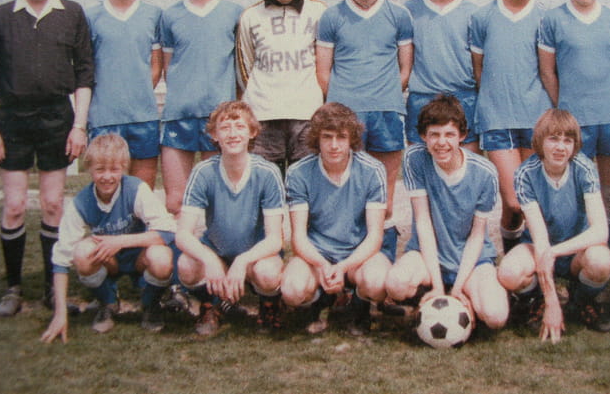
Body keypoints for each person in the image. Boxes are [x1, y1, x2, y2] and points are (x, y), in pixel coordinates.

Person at [0, 0, 94, 317]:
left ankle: (52, 288)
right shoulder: (1, 17)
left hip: (55, 117)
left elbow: (84, 74)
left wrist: (79, 126)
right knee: (15, 206)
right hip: (13, 119)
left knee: (52, 205)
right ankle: (12, 289)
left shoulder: (72, 13)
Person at [316, 0, 413, 249]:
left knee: (384, 195)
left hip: (386, 111)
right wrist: (343, 104)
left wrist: (384, 95)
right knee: (347, 191)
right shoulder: (332, 16)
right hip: (347, 115)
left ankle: (383, 253)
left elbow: (405, 69)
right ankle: (346, 256)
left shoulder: (399, 15)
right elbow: (323, 73)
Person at [385, 95, 509, 332]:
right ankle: (428, 296)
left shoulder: (485, 172)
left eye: (449, 134)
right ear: (423, 136)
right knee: (396, 284)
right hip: (427, 254)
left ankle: (467, 298)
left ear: (462, 135)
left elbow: (477, 235)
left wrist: (458, 288)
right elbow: (423, 222)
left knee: (496, 316)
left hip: (471, 258)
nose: (442, 142)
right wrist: (439, 287)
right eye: (434, 135)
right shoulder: (415, 159)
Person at [40, 134, 176, 342]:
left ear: (124, 168)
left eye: (114, 169)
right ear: (89, 169)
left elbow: (168, 230)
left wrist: (119, 241)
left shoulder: (136, 189)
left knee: (161, 256)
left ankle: (151, 303)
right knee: (82, 252)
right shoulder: (82, 202)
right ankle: (108, 302)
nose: (107, 177)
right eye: (100, 169)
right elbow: (60, 260)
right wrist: (60, 314)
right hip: (109, 259)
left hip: (139, 256)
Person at [538, 0, 610, 242]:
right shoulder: (553, 19)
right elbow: (548, 72)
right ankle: (576, 243)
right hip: (576, 119)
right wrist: (564, 107)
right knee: (576, 185)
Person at [497, 109, 610, 343]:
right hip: (540, 247)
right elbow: (541, 241)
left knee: (601, 260)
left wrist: (556, 251)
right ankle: (537, 300)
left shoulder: (584, 168)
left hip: (576, 250)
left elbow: (600, 231)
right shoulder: (525, 174)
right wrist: (551, 302)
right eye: (553, 139)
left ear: (575, 145)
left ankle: (582, 300)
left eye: (567, 140)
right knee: (508, 272)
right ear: (540, 141)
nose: (561, 147)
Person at [175, 101, 284, 336]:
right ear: (214, 135)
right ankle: (211, 304)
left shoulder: (267, 172)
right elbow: (183, 233)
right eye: (225, 128)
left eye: (240, 126)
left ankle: (269, 305)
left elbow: (275, 239)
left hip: (255, 257)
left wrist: (243, 261)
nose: (233, 134)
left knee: (268, 272)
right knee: (187, 265)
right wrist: (209, 259)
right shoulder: (203, 171)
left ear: (252, 132)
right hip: (219, 251)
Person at [281, 102, 391, 334]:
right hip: (318, 254)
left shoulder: (372, 170)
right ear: (316, 138)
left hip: (358, 254)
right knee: (291, 290)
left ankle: (358, 304)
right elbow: (298, 238)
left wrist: (342, 267)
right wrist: (323, 266)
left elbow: (375, 236)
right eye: (327, 137)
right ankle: (318, 301)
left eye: (341, 137)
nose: (334, 145)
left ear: (351, 139)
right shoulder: (298, 172)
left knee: (378, 282)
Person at [470, 0, 552, 253]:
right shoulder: (482, 17)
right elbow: (480, 70)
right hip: (497, 119)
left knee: (531, 200)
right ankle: (517, 253)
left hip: (535, 119)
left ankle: (521, 261)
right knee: (515, 200)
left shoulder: (545, 18)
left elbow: (548, 69)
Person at [160, 0, 242, 216]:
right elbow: (170, 67)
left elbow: (239, 68)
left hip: (218, 118)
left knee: (217, 201)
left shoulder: (234, 13)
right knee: (175, 201)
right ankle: (180, 245)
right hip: (179, 116)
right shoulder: (170, 15)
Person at [237, 0, 327, 176]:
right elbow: (245, 66)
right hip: (263, 116)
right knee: (266, 186)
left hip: (307, 114)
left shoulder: (319, 12)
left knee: (304, 187)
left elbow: (326, 63)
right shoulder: (250, 16)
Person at [85, 0, 162, 189]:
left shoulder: (153, 15)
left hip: (143, 117)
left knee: (142, 194)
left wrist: (136, 94)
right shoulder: (92, 16)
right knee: (107, 193)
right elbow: (85, 69)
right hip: (104, 119)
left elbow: (156, 66)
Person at [404, 0, 479, 152]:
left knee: (466, 165)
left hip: (463, 96)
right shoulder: (409, 11)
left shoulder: (474, 13)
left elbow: (479, 63)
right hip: (423, 98)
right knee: (420, 165)